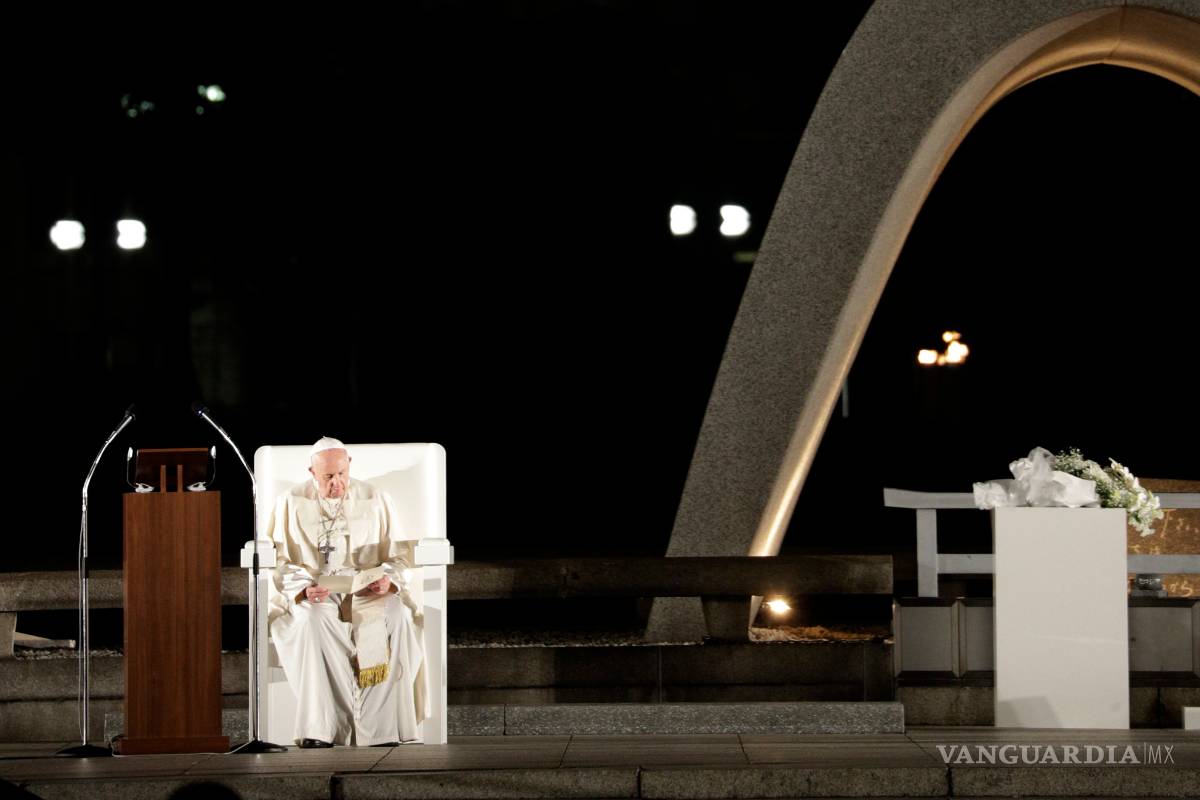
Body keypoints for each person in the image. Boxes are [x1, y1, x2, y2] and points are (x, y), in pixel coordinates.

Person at [266, 437, 427, 747]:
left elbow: (399, 556)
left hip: (367, 589)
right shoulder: (291, 501)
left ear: (349, 465)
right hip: (319, 592)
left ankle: (383, 730)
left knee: (395, 614)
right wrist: (303, 588)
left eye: (341, 474)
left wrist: (389, 582)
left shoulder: (376, 499)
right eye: (327, 477)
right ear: (311, 471)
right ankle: (323, 729)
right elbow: (281, 562)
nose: (336, 484)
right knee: (313, 620)